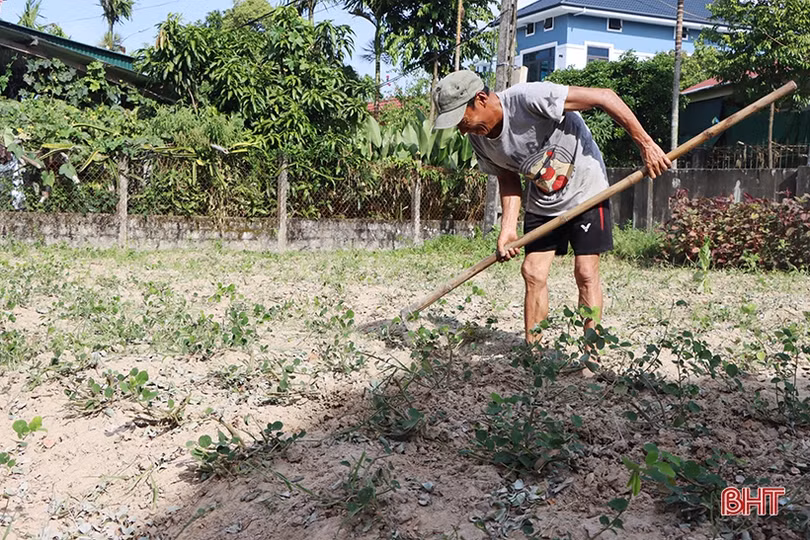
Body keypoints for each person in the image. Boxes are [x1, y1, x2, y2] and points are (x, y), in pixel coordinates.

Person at [432, 70, 671, 369]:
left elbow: (604, 97)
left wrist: (646, 144)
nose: (464, 131)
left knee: (585, 272)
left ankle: (591, 354)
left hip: (586, 190)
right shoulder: (481, 141)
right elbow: (507, 178)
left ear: (480, 99)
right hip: (544, 199)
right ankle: (534, 354)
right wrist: (507, 230)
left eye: (463, 121)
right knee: (532, 272)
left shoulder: (529, 99)